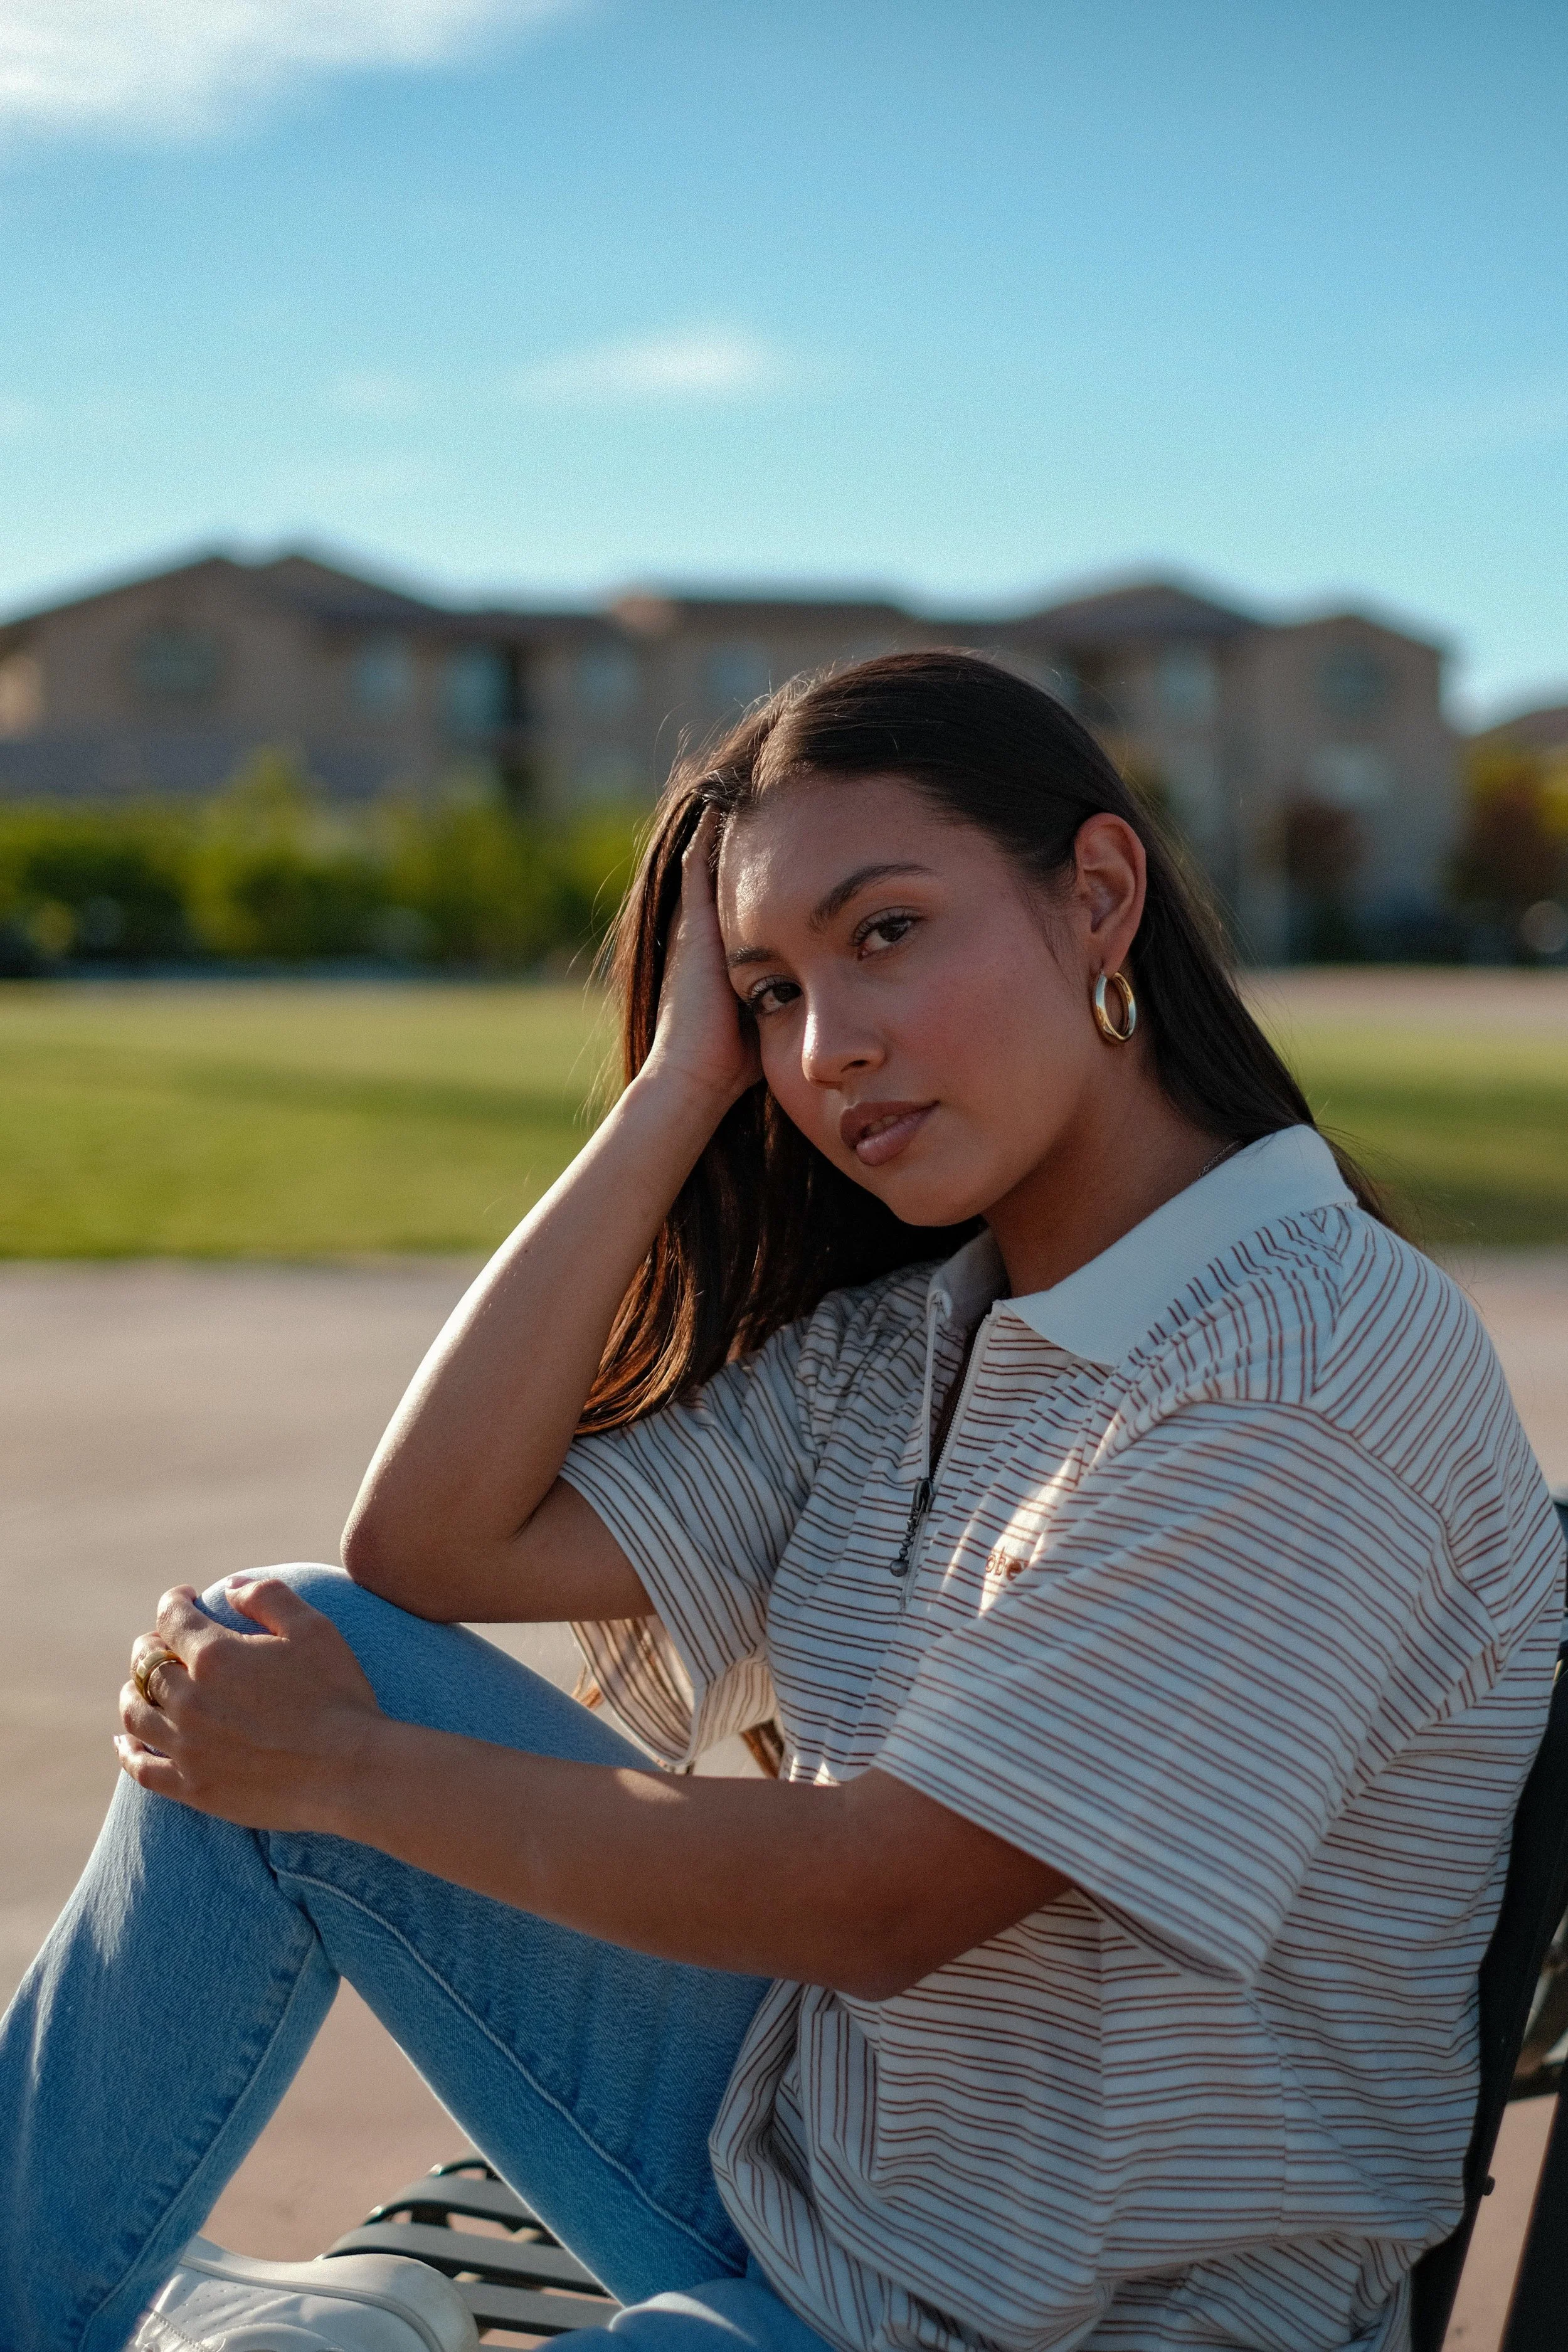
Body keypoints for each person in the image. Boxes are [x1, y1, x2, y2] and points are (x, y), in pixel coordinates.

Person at [2, 652, 1560, 2352]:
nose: (829, 1050)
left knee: (303, 1727)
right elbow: (428, 1547)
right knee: (282, 1646)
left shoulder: (1298, 1364)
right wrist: (674, 1089)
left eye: (883, 930)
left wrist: (346, 1771)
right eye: (767, 989)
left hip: (1077, 2317)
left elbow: (878, 1898)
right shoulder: (915, 1339)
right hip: (816, 2173)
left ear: (1097, 896)